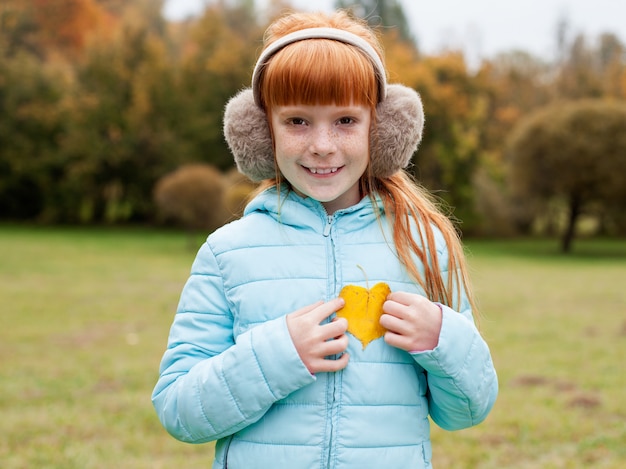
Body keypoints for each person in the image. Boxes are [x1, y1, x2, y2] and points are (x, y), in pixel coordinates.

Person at [152, 9, 498, 469]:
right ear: (261, 132)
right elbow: (180, 410)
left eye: (345, 121)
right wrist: (278, 354)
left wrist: (443, 338)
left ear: (382, 128)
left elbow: (467, 411)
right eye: (297, 121)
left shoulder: (422, 246)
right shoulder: (226, 253)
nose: (321, 145)